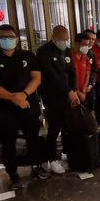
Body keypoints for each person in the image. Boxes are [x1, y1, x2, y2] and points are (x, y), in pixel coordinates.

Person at [0, 24, 48, 189]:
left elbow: (36, 78)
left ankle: (37, 165)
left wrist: (23, 95)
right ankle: (13, 174)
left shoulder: (27, 55)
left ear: (16, 38)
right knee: (8, 142)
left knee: (33, 137)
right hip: (5, 110)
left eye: (11, 37)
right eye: (3, 37)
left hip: (28, 105)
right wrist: (13, 98)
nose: (7, 40)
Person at [36, 25, 79, 175]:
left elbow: (72, 72)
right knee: (54, 129)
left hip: (68, 95)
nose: (65, 42)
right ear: (53, 37)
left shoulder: (66, 50)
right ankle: (51, 159)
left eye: (67, 39)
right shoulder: (43, 52)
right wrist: (68, 91)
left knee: (68, 126)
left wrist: (74, 90)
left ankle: (66, 152)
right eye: (62, 39)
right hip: (52, 97)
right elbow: (52, 76)